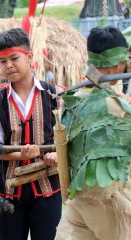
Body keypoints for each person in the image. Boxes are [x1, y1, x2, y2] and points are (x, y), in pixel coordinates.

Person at [0, 28, 62, 240]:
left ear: (30, 56)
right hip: (8, 192)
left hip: (47, 188)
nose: (8, 65)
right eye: (3, 61)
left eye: (14, 58)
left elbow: (68, 138)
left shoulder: (56, 96)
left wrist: (57, 155)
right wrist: (21, 156)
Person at [55, 26, 131, 240]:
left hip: (79, 197)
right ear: (118, 63)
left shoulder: (73, 100)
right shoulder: (114, 106)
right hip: (109, 198)